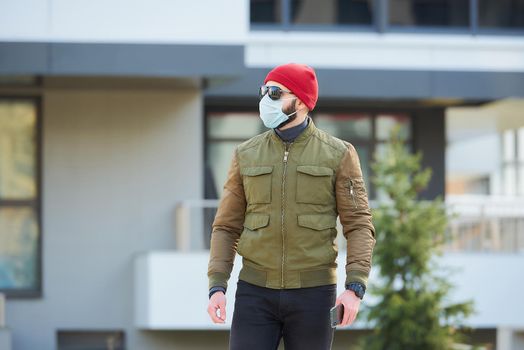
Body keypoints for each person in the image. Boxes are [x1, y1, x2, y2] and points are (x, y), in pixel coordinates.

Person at [206, 62, 376, 350]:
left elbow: (359, 225)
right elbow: (226, 226)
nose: (264, 100)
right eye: (263, 92)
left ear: (301, 101)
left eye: (274, 93)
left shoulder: (339, 154)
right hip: (254, 293)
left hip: (315, 294)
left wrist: (355, 287)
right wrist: (217, 286)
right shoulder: (245, 154)